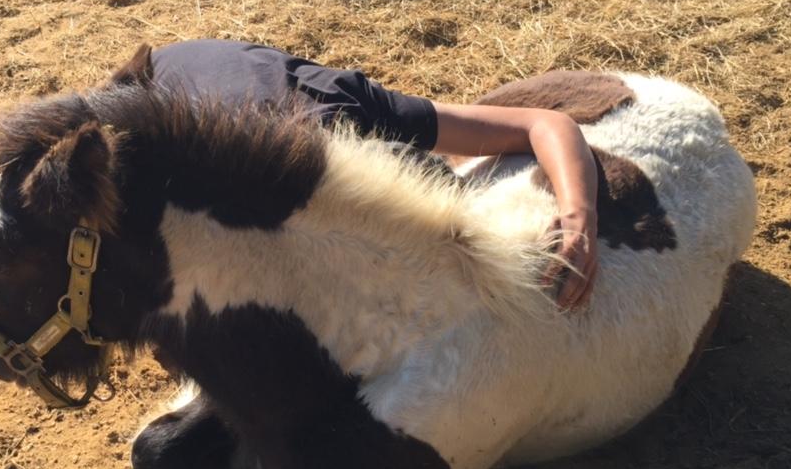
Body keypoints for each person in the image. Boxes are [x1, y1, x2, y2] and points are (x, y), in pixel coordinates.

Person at [145, 40, 598, 310]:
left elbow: (545, 124)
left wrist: (578, 218)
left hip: (240, 70)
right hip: (158, 80)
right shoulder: (231, 190)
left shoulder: (353, 104)